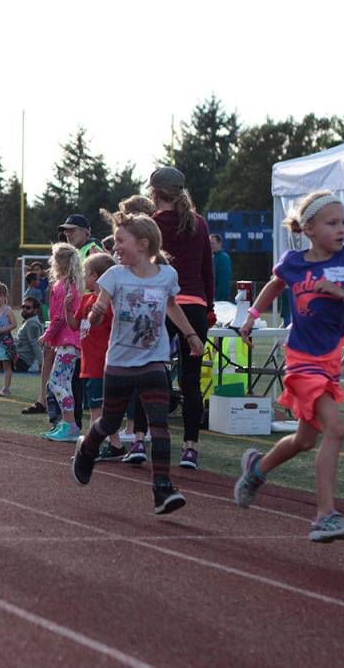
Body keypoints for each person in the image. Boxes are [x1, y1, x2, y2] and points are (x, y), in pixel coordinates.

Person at [234, 191, 344, 542]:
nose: (341, 229)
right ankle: (325, 516)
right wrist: (251, 316)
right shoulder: (293, 262)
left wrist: (343, 295)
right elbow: (274, 286)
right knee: (336, 429)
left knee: (303, 440)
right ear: (309, 229)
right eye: (332, 223)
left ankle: (256, 469)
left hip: (329, 361)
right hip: (301, 361)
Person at [71, 210, 204, 515]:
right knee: (109, 422)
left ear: (143, 244)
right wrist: (97, 314)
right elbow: (99, 309)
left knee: (159, 425)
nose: (115, 247)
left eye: (121, 241)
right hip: (119, 362)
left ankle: (162, 488)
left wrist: (190, 335)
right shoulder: (114, 275)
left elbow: (171, 306)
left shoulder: (167, 276)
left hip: (153, 360)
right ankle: (87, 448)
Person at [128, 167, 214, 470]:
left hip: (158, 305)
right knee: (191, 382)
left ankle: (140, 440)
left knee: (145, 374)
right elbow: (207, 270)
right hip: (195, 306)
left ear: (154, 192)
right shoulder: (199, 223)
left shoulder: (150, 224)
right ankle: (190, 448)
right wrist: (209, 307)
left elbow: (141, 268)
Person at [65, 253, 123, 460]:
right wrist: (67, 309)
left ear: (96, 276)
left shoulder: (108, 303)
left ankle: (91, 449)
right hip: (88, 363)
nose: (83, 277)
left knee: (97, 410)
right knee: (100, 409)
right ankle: (116, 446)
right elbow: (74, 325)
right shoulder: (86, 299)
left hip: (101, 363)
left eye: (86, 273)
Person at [38, 243, 83, 441]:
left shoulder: (62, 286)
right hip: (72, 342)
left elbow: (58, 317)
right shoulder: (74, 284)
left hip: (67, 343)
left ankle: (70, 425)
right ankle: (68, 424)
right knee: (64, 384)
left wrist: (46, 336)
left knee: (56, 383)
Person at [13, 297, 45, 376]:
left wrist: (41, 364)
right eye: (23, 306)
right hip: (18, 358)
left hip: (21, 361)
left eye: (28, 307)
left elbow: (35, 344)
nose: (24, 309)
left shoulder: (32, 324)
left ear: (35, 310)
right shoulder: (29, 321)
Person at [211, 233, 232, 304]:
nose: (211, 245)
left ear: (219, 244)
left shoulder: (223, 258)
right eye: (209, 243)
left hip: (219, 300)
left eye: (213, 243)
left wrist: (219, 299)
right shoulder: (212, 257)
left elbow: (223, 281)